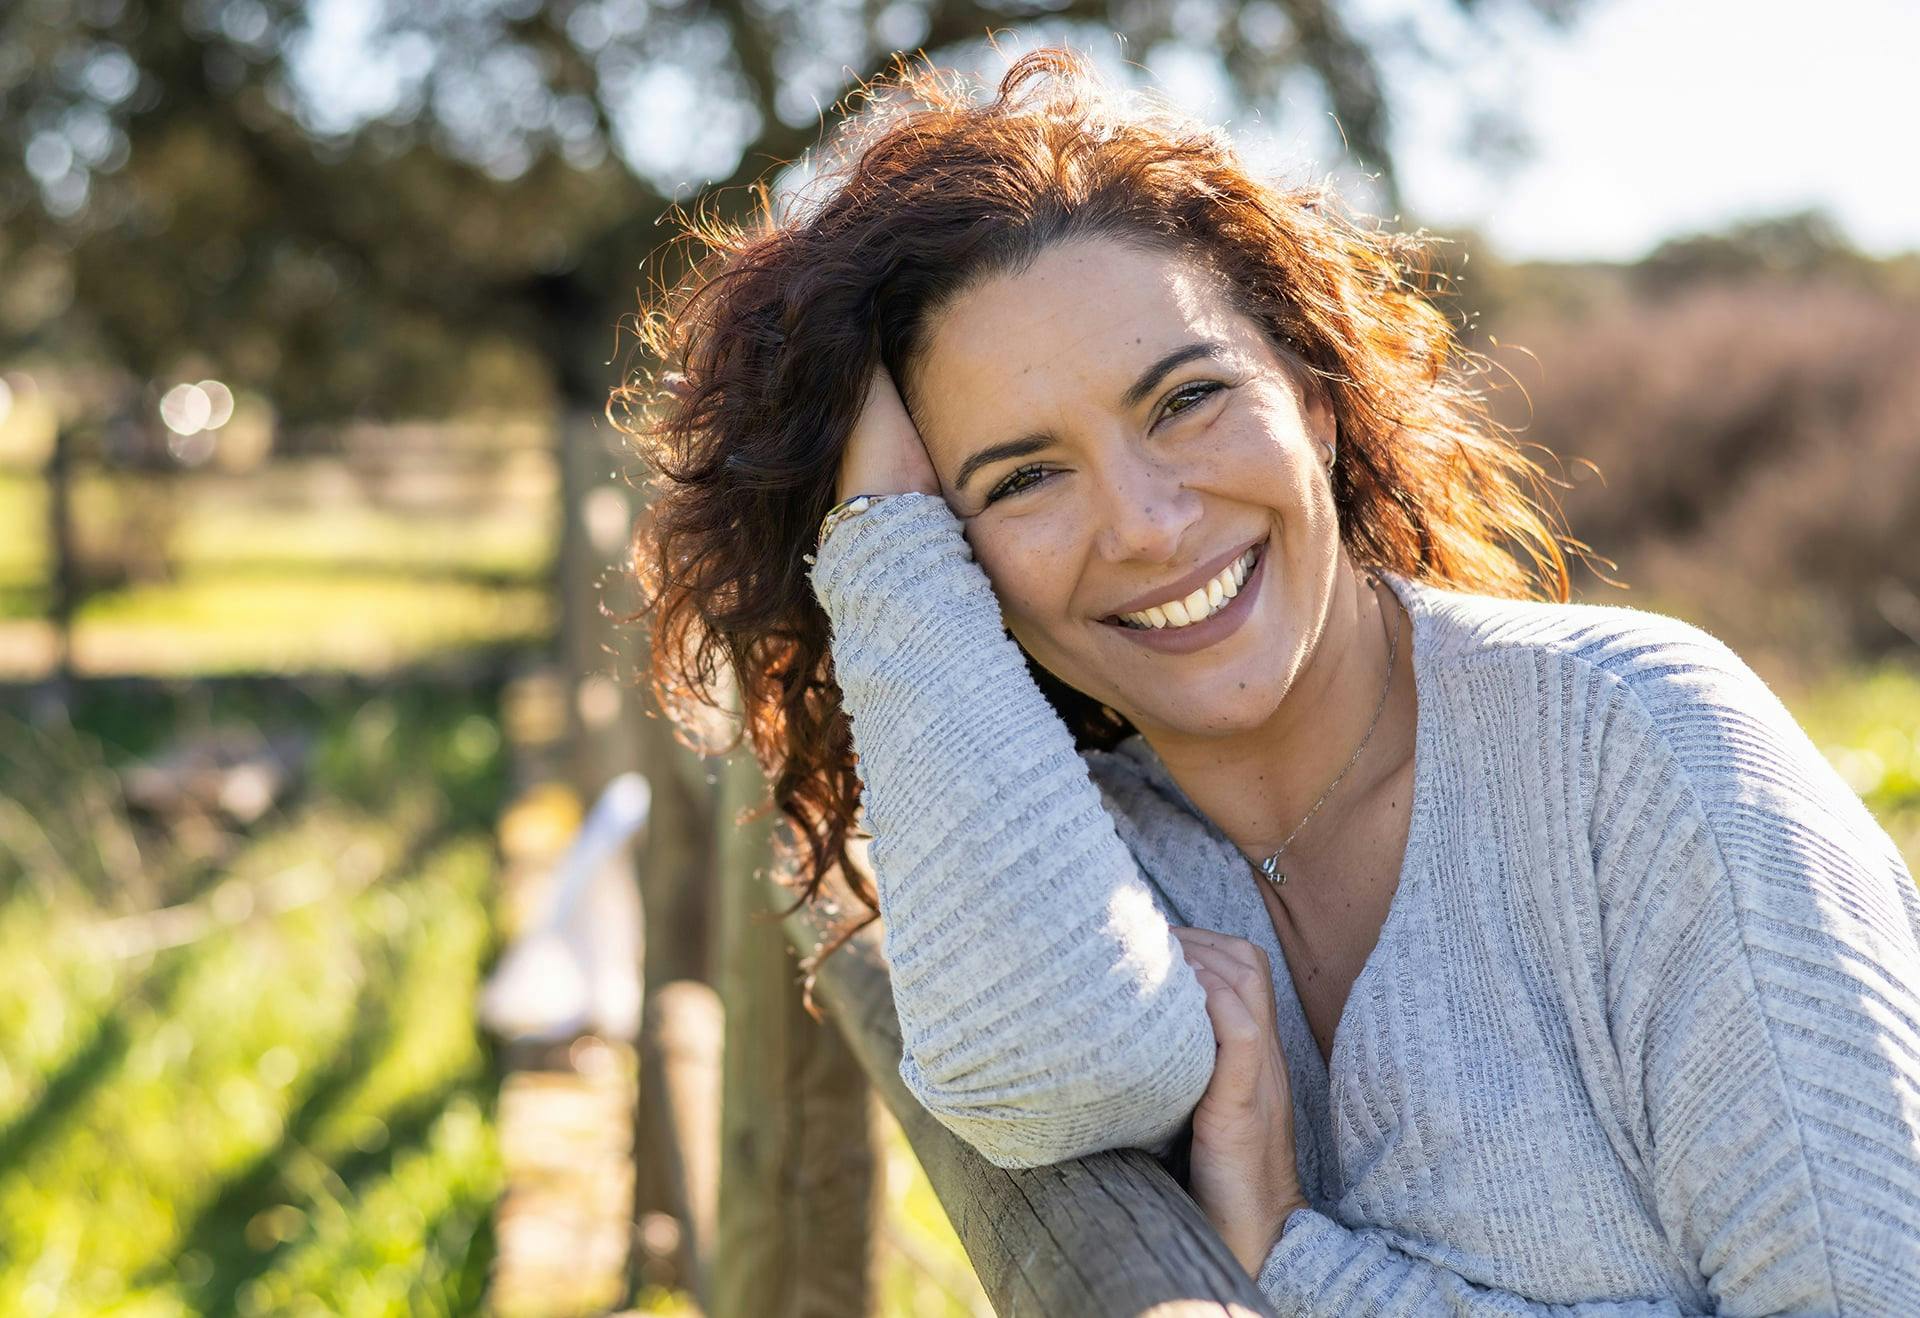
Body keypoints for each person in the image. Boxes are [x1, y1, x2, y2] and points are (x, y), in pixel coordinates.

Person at [622, 47, 1920, 1313]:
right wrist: (885, 547)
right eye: (1019, 477)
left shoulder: (1636, 746)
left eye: (1186, 398)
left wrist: (1299, 1264)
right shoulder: (1086, 857)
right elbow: (1048, 1074)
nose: (1142, 522)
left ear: (1316, 398)